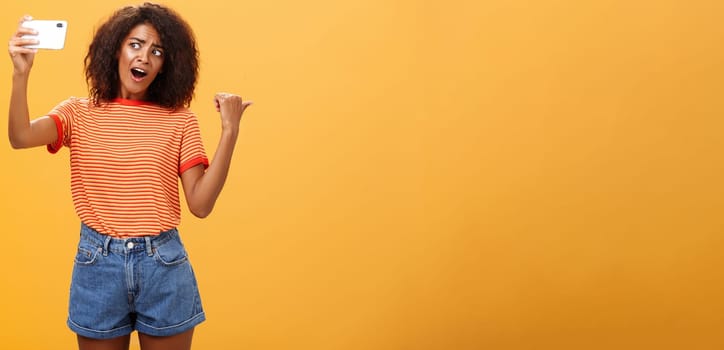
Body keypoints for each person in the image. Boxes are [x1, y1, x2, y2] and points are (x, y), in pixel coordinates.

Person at [7, 3, 251, 350]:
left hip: (163, 265)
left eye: (157, 51)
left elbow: (201, 204)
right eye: (135, 45)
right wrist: (20, 75)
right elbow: (20, 137)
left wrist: (230, 130)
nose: (145, 58)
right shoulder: (79, 112)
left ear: (167, 65)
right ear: (115, 49)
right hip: (97, 264)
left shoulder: (179, 121)